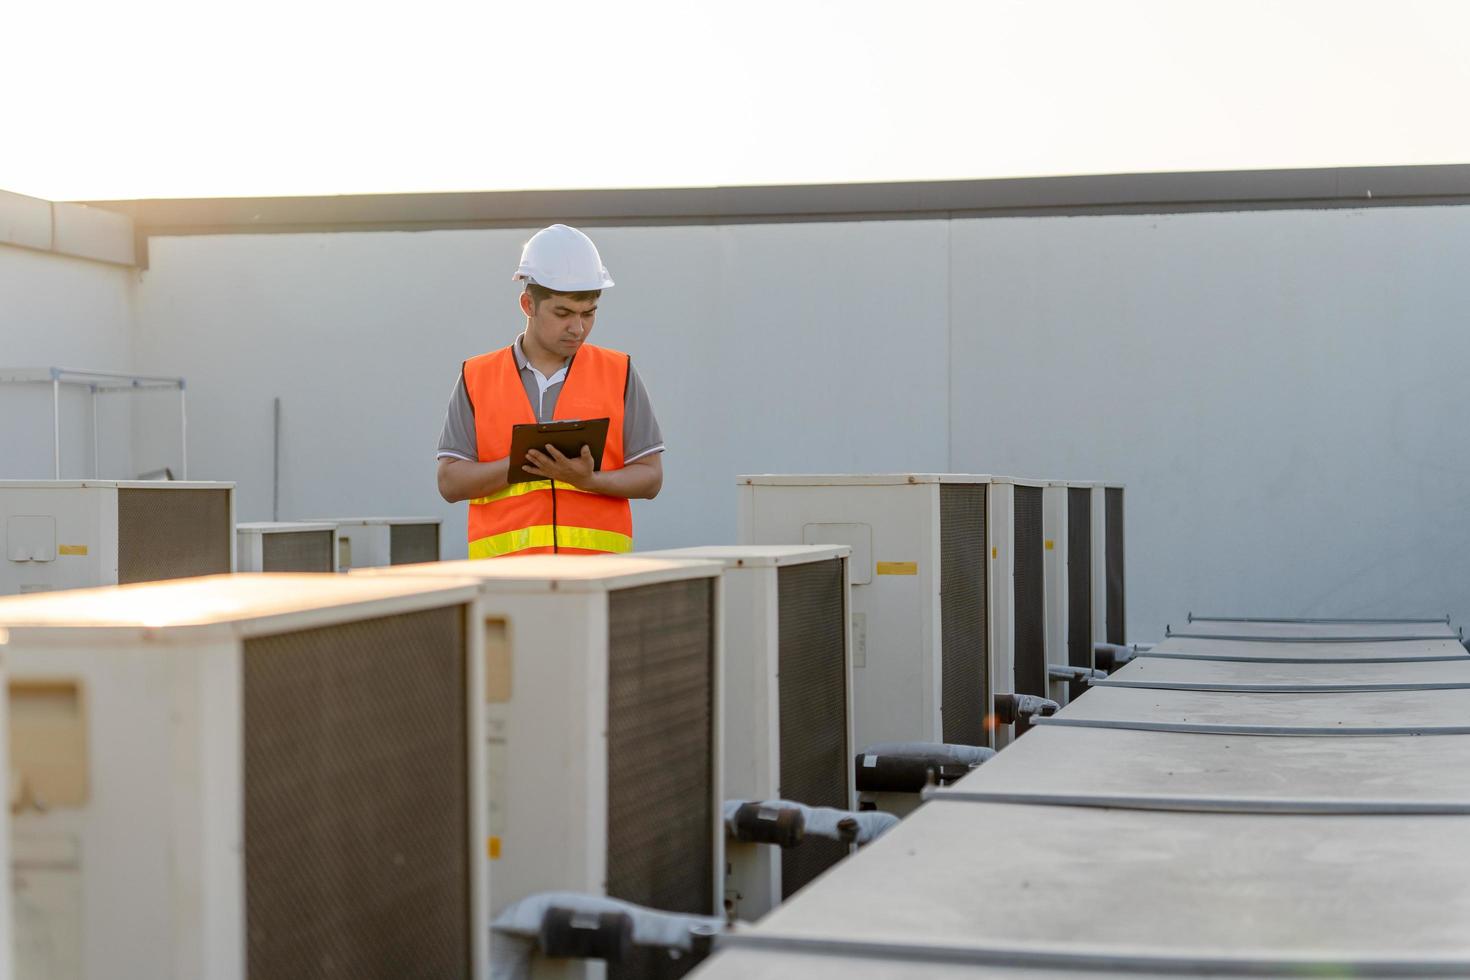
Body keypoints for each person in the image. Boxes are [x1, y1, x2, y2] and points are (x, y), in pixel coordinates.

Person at [435, 224, 664, 558]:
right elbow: (450, 483)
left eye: (589, 313)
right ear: (527, 304)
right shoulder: (477, 376)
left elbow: (650, 478)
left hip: (597, 582)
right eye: (563, 313)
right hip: (505, 585)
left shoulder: (619, 372)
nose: (578, 327)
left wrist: (589, 481)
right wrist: (523, 461)